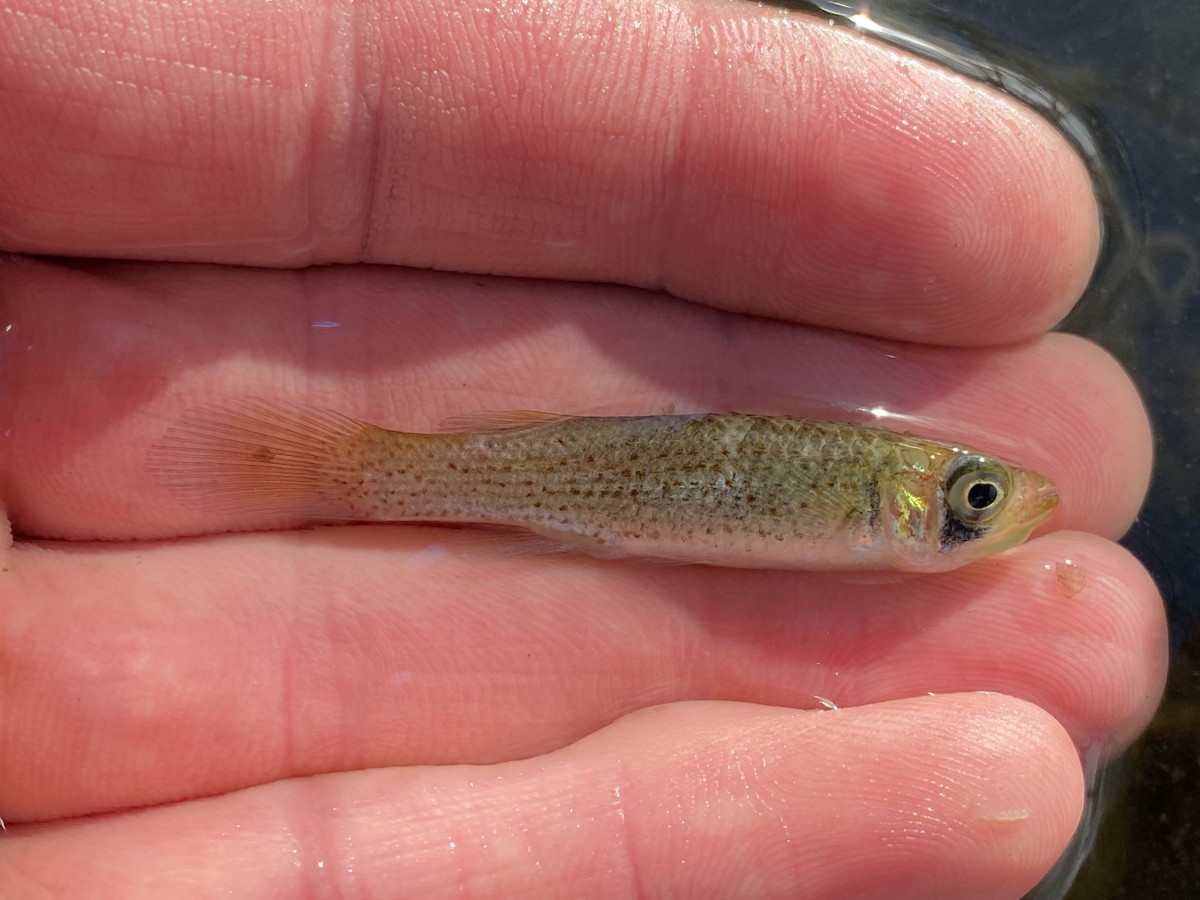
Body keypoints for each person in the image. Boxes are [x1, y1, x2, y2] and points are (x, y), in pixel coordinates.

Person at [0, 1, 1166, 896]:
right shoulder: (862, 498)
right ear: (904, 496)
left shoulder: (865, 506)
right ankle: (346, 465)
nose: (983, 516)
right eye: (973, 496)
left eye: (975, 501)